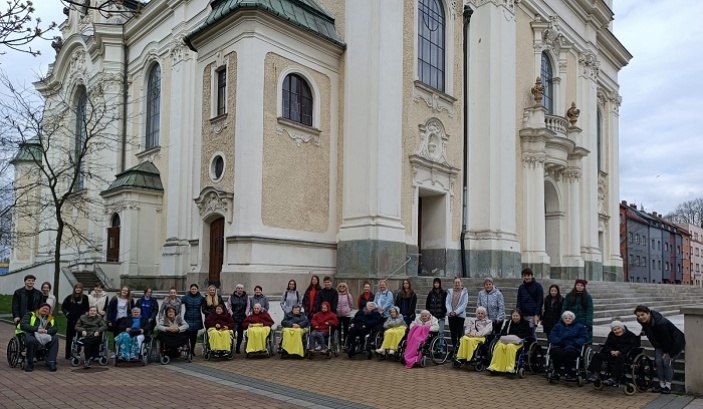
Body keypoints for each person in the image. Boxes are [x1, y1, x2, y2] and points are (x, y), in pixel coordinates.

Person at [635, 305, 686, 394]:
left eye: (642, 315)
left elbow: (667, 339)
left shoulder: (660, 323)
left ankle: (668, 386)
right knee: (658, 362)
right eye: (638, 316)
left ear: (648, 313)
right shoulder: (644, 321)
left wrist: (666, 352)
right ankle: (661, 385)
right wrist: (644, 331)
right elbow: (647, 327)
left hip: (675, 343)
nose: (640, 317)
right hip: (660, 343)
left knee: (666, 362)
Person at [587, 320, 640, 386]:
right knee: (597, 355)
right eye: (615, 330)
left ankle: (614, 378)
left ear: (622, 328)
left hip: (624, 355)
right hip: (611, 354)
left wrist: (620, 351)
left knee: (620, 357)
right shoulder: (611, 334)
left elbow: (631, 346)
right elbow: (607, 345)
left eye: (618, 328)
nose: (617, 331)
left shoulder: (630, 335)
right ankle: (595, 374)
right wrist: (611, 351)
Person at [547, 311, 590, 381]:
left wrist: (577, 342)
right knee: (556, 352)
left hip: (573, 346)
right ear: (563, 319)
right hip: (560, 344)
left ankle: (568, 373)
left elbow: (585, 337)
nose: (567, 319)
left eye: (569, 318)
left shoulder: (579, 326)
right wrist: (558, 341)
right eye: (565, 318)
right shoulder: (558, 326)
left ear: (573, 319)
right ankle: (556, 372)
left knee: (569, 353)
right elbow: (552, 335)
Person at [19, 303, 59, 372]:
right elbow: (23, 325)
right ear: (39, 309)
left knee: (55, 339)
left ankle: (51, 362)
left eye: (47, 309)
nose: (45, 310)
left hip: (45, 334)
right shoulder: (30, 314)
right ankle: (30, 363)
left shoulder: (51, 318)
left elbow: (55, 328)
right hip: (31, 333)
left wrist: (47, 331)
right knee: (31, 341)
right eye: (43, 308)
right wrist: (36, 329)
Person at [61, 283, 90, 359]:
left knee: (79, 338)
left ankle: (77, 353)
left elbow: (87, 308)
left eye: (79, 288)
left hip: (80, 322)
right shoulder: (69, 298)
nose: (78, 289)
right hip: (71, 320)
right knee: (69, 338)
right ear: (74, 289)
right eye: (77, 288)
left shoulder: (84, 298)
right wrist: (67, 313)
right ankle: (67, 355)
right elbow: (63, 307)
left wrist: (83, 315)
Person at [516, 268, 543, 335]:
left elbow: (540, 301)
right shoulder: (521, 287)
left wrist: (537, 314)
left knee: (531, 334)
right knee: (522, 333)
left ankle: (534, 345)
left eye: (528, 275)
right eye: (525, 276)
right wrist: (517, 313)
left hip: (532, 315)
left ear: (531, 276)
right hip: (522, 314)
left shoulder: (538, 286)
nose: (526, 277)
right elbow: (518, 301)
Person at [445, 277, 469, 352]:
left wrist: (456, 312)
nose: (457, 284)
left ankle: (460, 349)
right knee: (453, 333)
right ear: (453, 283)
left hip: (460, 316)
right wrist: (450, 312)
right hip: (451, 315)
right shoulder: (450, 292)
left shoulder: (464, 292)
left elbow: (464, 304)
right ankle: (455, 348)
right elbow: (447, 303)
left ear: (461, 283)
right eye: (456, 282)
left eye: (458, 282)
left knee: (459, 332)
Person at [226, 284, 249, 354]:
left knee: (240, 334)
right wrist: (231, 313)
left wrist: (246, 313)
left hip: (242, 317)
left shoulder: (246, 297)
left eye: (241, 288)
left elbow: (248, 306)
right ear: (236, 289)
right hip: (234, 317)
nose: (240, 290)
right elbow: (229, 306)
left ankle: (238, 347)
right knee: (232, 333)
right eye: (238, 288)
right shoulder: (231, 297)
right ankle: (230, 346)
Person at [182, 284, 204, 353]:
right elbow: (178, 302)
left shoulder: (201, 298)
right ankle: (187, 349)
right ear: (190, 289)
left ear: (197, 290)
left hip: (197, 319)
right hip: (188, 318)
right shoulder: (185, 297)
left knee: (194, 337)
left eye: (195, 289)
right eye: (192, 289)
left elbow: (207, 305)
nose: (194, 290)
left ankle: (192, 350)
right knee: (187, 335)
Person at [426, 278, 447, 347]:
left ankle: (441, 347)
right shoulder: (431, 293)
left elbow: (445, 304)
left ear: (440, 284)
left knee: (441, 332)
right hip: (432, 316)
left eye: (437, 283)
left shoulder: (444, 293)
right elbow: (427, 304)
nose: (436, 284)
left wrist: (443, 313)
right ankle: (433, 346)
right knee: (433, 332)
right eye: (435, 283)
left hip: (441, 316)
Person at [336, 282, 354, 348]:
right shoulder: (336, 295)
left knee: (346, 330)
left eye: (343, 286)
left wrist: (348, 310)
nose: (342, 288)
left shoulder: (348, 295)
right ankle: (339, 344)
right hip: (338, 315)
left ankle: (346, 344)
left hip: (346, 315)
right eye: (340, 286)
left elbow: (351, 305)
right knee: (339, 330)